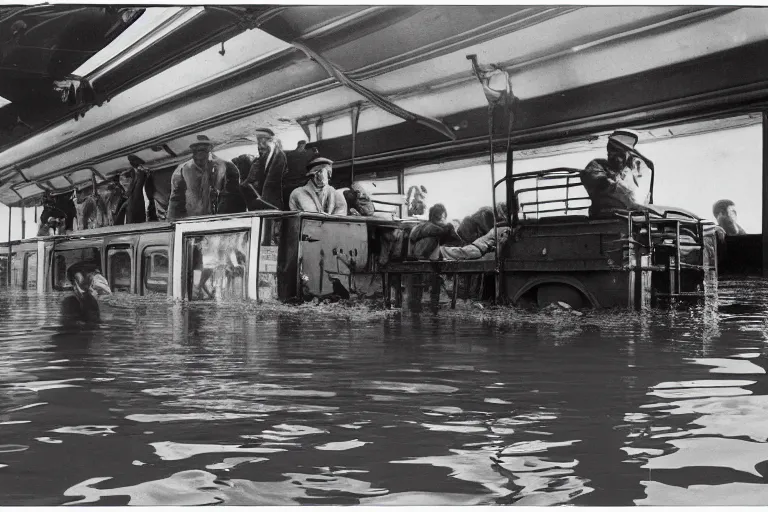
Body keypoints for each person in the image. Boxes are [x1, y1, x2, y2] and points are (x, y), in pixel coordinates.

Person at [581, 129, 657, 218]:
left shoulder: (629, 171)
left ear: (628, 154)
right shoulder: (596, 165)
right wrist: (635, 206)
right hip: (605, 216)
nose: (616, 158)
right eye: (611, 152)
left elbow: (638, 196)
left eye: (621, 154)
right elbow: (609, 189)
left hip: (628, 217)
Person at [167, 135, 246, 220]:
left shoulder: (227, 167)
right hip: (191, 224)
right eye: (196, 149)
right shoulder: (182, 170)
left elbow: (235, 200)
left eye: (203, 149)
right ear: (192, 150)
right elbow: (175, 203)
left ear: (210, 148)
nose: (200, 153)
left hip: (220, 223)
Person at [242, 128, 287, 211]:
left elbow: (272, 181)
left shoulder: (279, 156)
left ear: (269, 140)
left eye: (261, 139)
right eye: (258, 140)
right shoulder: (259, 160)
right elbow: (251, 180)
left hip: (271, 204)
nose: (259, 144)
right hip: (262, 203)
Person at [114, 155, 157, 225]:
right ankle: (140, 171)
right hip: (134, 225)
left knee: (133, 197)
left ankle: (140, 172)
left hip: (129, 226)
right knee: (135, 200)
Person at [441, 225, 512, 261]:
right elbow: (501, 244)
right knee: (457, 252)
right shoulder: (504, 230)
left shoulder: (501, 230)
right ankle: (439, 251)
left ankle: (439, 251)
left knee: (457, 252)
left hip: (476, 249)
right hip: (476, 248)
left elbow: (501, 243)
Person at [283, 141, 318, 208]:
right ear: (304, 145)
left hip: (290, 182)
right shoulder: (309, 153)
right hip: (303, 180)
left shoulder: (289, 154)